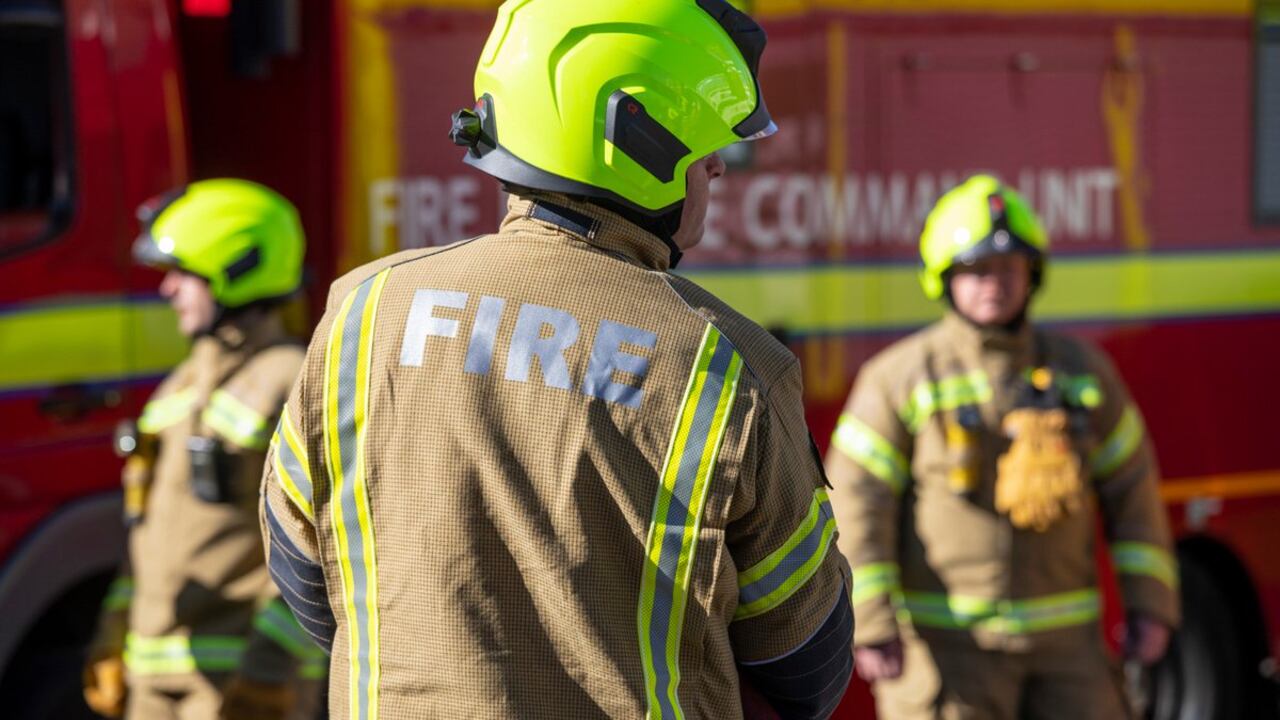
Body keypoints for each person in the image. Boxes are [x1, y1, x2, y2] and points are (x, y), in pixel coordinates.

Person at [258, 2, 852, 718]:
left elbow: (303, 571)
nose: (720, 167)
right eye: (706, 144)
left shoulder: (362, 310)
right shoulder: (724, 363)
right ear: (639, 142)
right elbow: (805, 659)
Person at [826, 175, 1179, 719]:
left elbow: (1134, 494)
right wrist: (869, 620)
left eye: (1010, 268)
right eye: (977, 270)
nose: (996, 283)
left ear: (1033, 275)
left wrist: (1151, 606)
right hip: (949, 655)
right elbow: (855, 503)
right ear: (943, 278)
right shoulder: (899, 378)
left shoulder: (1082, 374)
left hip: (1069, 657)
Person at [84, 179, 326, 720]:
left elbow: (320, 545)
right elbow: (142, 531)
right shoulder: (177, 387)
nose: (168, 289)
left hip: (245, 682)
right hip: (154, 677)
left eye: (184, 274)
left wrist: (270, 668)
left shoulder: (292, 381)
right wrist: (112, 635)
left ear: (239, 270)